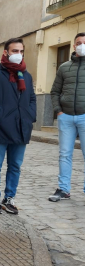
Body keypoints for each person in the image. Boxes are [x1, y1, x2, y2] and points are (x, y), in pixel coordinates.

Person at [0, 38, 36, 215]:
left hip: (21, 127)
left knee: (15, 166)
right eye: (14, 51)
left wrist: (30, 116)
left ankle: (9, 197)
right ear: (6, 52)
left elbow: (32, 98)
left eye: (21, 51)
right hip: (0, 126)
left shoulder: (26, 75)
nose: (18, 55)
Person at [49, 32, 85, 202]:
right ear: (74, 46)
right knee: (64, 154)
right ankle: (63, 189)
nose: (81, 45)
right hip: (66, 117)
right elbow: (55, 91)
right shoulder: (64, 67)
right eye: (79, 42)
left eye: (84, 43)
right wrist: (59, 111)